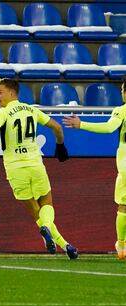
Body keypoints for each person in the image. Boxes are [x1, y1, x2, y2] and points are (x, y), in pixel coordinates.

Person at [0, 78, 78, 259]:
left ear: (12, 92)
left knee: (36, 211)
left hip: (15, 168)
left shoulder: (2, 113)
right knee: (47, 203)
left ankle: (61, 243)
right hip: (35, 163)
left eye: (0, 92)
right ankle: (65, 245)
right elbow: (57, 127)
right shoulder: (31, 109)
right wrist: (60, 146)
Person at [63, 78, 126, 260]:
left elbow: (108, 128)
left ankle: (121, 245)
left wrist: (81, 124)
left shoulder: (121, 111)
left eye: (122, 90)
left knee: (123, 206)